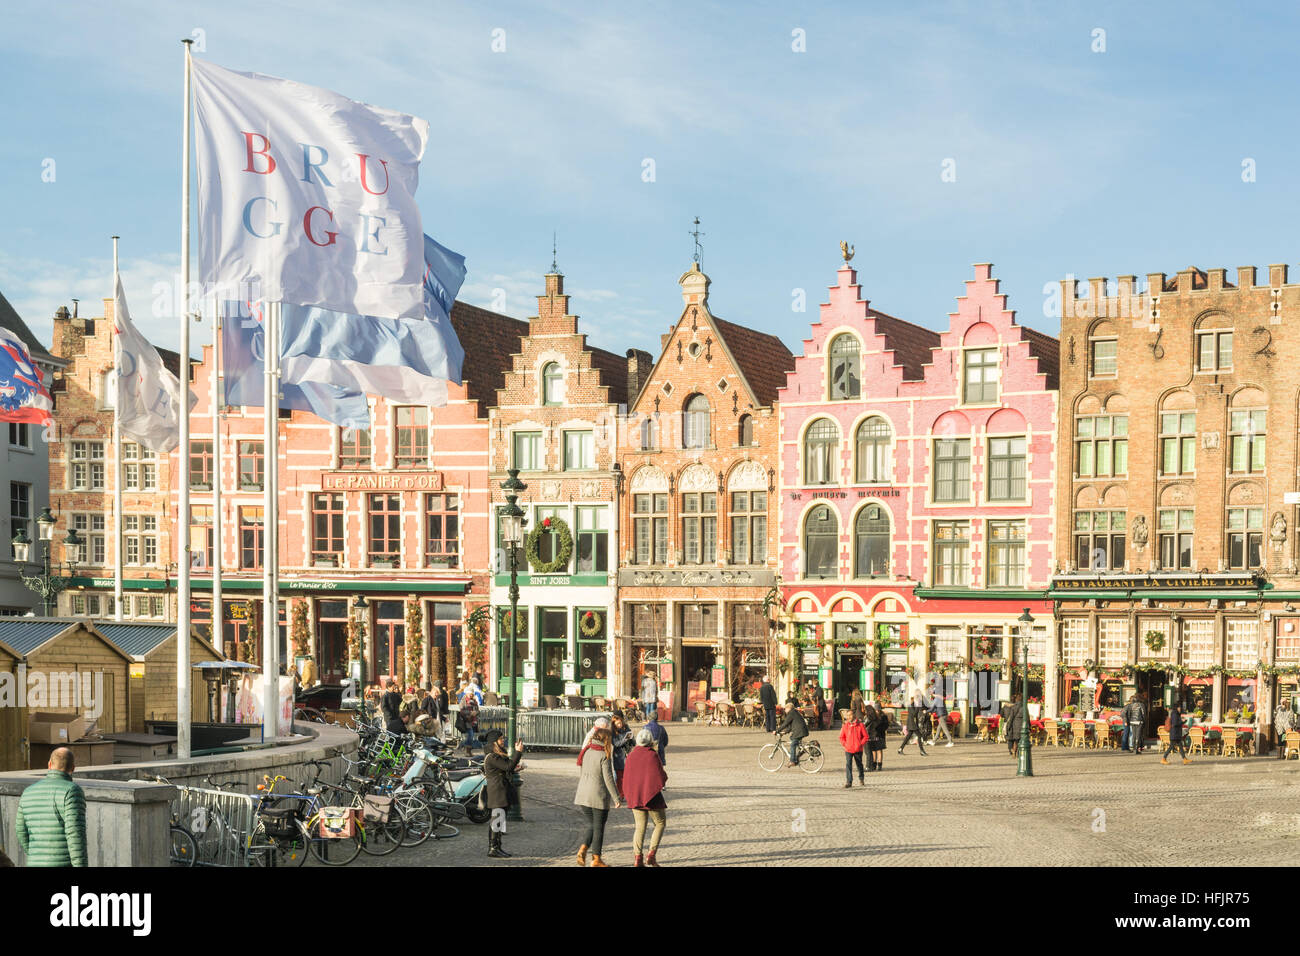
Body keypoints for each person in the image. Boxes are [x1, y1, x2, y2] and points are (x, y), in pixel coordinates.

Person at [15, 748, 87, 867]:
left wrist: (36, 855)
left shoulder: (28, 792)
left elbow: (20, 830)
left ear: (49, 764)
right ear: (73, 768)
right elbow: (75, 835)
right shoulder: (72, 791)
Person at [574, 726, 622, 867]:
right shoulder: (603, 755)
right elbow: (608, 779)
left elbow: (582, 771)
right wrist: (616, 798)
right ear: (606, 740)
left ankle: (582, 850)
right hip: (597, 795)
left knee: (592, 824)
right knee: (599, 827)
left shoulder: (587, 751)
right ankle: (596, 859)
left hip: (583, 794)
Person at [624, 728, 668, 867]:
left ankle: (638, 858)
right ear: (650, 741)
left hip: (636, 796)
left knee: (639, 827)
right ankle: (651, 855)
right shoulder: (652, 755)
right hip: (652, 796)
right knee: (660, 823)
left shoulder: (631, 755)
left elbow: (627, 778)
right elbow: (660, 775)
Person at [481, 730, 524, 858]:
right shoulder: (492, 756)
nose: (503, 740)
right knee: (497, 820)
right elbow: (508, 767)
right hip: (497, 791)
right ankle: (493, 848)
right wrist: (518, 752)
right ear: (494, 742)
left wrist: (517, 767)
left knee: (499, 820)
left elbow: (507, 768)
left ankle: (497, 847)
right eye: (500, 739)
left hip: (500, 790)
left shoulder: (496, 755)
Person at [775, 700, 809, 767]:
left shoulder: (791, 713)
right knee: (794, 743)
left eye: (785, 709)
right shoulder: (794, 712)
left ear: (789, 708)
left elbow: (785, 723)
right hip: (801, 731)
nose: (784, 710)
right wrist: (784, 732)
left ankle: (792, 761)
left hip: (799, 731)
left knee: (793, 745)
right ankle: (798, 756)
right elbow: (790, 726)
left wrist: (777, 730)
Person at [839, 711, 868, 787]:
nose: (848, 717)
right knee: (848, 764)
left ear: (854, 715)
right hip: (848, 749)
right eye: (847, 715)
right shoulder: (845, 726)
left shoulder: (860, 725)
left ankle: (861, 778)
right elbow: (841, 737)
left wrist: (860, 744)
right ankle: (849, 781)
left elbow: (866, 736)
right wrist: (845, 744)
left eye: (850, 715)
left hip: (858, 749)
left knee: (859, 764)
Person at [610, 713, 635, 792]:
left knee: (628, 776)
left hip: (627, 754)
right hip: (618, 757)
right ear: (614, 724)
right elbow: (616, 744)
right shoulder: (613, 732)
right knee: (619, 776)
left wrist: (632, 739)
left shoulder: (626, 728)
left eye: (620, 722)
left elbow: (633, 742)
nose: (620, 725)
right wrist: (625, 739)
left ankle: (627, 792)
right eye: (618, 724)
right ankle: (620, 794)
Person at [1161, 701, 1190, 765]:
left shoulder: (1175, 713)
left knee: (1180, 746)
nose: (1180, 709)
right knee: (1171, 747)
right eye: (1179, 707)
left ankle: (1185, 759)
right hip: (1175, 733)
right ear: (1177, 708)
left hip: (1176, 733)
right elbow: (1175, 724)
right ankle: (1163, 758)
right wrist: (1183, 722)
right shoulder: (1174, 714)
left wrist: (1182, 721)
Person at [866, 704, 889, 771]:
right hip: (872, 735)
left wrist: (880, 729)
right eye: (876, 710)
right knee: (873, 750)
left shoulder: (883, 716)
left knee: (879, 750)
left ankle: (879, 764)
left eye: (878, 709)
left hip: (879, 735)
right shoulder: (872, 716)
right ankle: (874, 764)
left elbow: (886, 725)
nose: (877, 711)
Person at [457, 690, 480, 754]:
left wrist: (476, 712)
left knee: (471, 735)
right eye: (469, 694)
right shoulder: (463, 700)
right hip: (466, 721)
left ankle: (467, 750)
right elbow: (461, 710)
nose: (471, 695)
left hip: (473, 721)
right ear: (466, 693)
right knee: (471, 735)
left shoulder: (475, 701)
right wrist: (470, 713)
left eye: (472, 694)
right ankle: (467, 749)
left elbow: (478, 710)